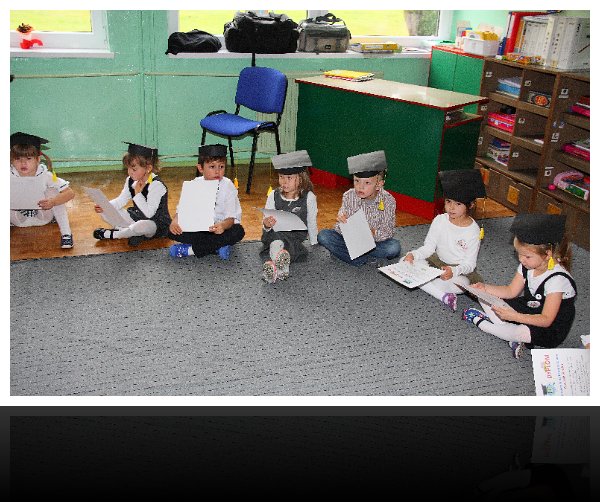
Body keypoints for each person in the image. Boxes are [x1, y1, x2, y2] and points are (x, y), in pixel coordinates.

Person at [463, 213, 577, 359]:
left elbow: (546, 319)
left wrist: (515, 316)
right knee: (486, 298)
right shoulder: (527, 266)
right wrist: (484, 288)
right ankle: (510, 335)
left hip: (550, 326)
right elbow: (511, 291)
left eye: (527, 256)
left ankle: (481, 322)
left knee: (520, 332)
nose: (521, 260)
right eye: (519, 254)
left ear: (547, 254)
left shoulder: (557, 280)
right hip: (530, 307)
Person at [403, 169, 486, 311]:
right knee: (404, 261)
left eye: (458, 204)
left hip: (459, 270)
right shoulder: (440, 220)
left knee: (455, 284)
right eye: (448, 201)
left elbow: (470, 264)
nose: (451, 207)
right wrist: (413, 255)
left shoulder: (473, 231)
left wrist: (453, 270)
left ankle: (433, 287)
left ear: (470, 205)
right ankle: (443, 296)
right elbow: (429, 248)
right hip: (437, 262)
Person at [317, 150, 400, 266]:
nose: (360, 187)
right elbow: (339, 228)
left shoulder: (388, 200)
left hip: (374, 242)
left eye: (367, 183)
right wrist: (343, 221)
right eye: (356, 181)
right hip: (351, 241)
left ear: (378, 185)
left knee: (394, 247)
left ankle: (347, 255)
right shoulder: (349, 196)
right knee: (323, 236)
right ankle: (360, 258)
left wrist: (373, 233)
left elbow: (388, 231)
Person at [168, 144, 244, 259]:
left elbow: (231, 219)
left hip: (221, 229)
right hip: (200, 229)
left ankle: (190, 250)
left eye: (221, 167)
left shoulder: (228, 186)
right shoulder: (195, 184)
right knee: (170, 231)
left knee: (238, 231)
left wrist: (222, 226)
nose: (217, 171)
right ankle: (216, 247)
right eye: (212, 167)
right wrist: (174, 222)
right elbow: (182, 209)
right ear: (200, 168)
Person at [93, 142, 171, 246]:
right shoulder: (130, 180)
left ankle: (113, 234)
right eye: (128, 168)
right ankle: (132, 233)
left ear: (148, 168)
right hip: (137, 217)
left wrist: (137, 193)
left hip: (155, 223)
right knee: (105, 211)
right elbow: (121, 200)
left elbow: (149, 214)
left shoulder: (156, 185)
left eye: (134, 169)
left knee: (141, 226)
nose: (130, 172)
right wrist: (106, 206)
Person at [260, 150, 318, 283]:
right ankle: (282, 269)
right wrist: (266, 225)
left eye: (289, 178)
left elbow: (311, 221)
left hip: (294, 237)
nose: (284, 182)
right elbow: (266, 221)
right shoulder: (273, 195)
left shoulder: (309, 197)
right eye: (281, 177)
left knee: (287, 245)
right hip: (274, 233)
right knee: (276, 239)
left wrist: (314, 242)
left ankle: (273, 268)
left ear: (301, 178)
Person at [10, 132, 75, 249]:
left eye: (29, 158)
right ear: (11, 160)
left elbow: (70, 193)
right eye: (18, 158)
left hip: (43, 216)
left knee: (53, 191)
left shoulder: (46, 175)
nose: (23, 163)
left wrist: (53, 202)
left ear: (38, 160)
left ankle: (66, 234)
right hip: (17, 219)